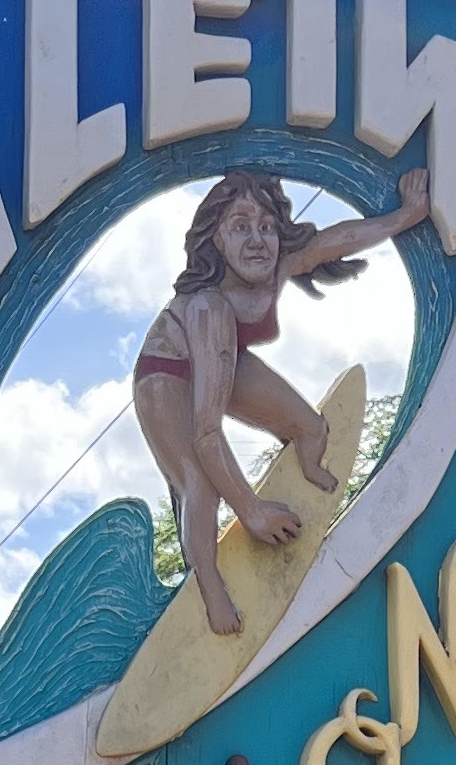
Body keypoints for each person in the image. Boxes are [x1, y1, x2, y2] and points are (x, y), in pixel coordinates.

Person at [130, 166, 428, 635]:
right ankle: (210, 591)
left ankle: (304, 477)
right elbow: (207, 433)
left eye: (267, 227)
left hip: (224, 355)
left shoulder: (277, 266)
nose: (257, 240)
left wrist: (406, 216)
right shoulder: (208, 308)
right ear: (216, 240)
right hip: (166, 374)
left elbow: (337, 240)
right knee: (200, 485)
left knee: (310, 428)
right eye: (240, 227)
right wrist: (250, 511)